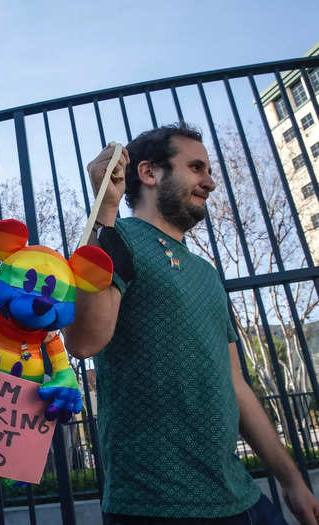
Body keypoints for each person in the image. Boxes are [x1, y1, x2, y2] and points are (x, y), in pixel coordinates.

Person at [64, 123, 319, 524]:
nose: (211, 182)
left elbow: (237, 385)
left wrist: (292, 481)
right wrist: (105, 210)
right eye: (197, 168)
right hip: (155, 507)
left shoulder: (207, 272)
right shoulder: (116, 237)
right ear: (149, 173)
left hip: (243, 498)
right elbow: (83, 342)